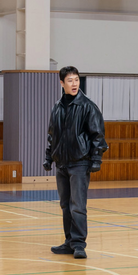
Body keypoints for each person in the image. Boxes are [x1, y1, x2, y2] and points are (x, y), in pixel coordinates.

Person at [44, 66, 108, 259]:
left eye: (77, 80)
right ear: (62, 83)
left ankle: (79, 244)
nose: (74, 84)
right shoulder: (57, 107)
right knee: (65, 205)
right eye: (70, 80)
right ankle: (69, 242)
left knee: (77, 206)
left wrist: (96, 159)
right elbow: (52, 136)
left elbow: (98, 136)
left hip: (80, 163)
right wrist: (49, 157)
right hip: (61, 164)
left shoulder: (88, 106)